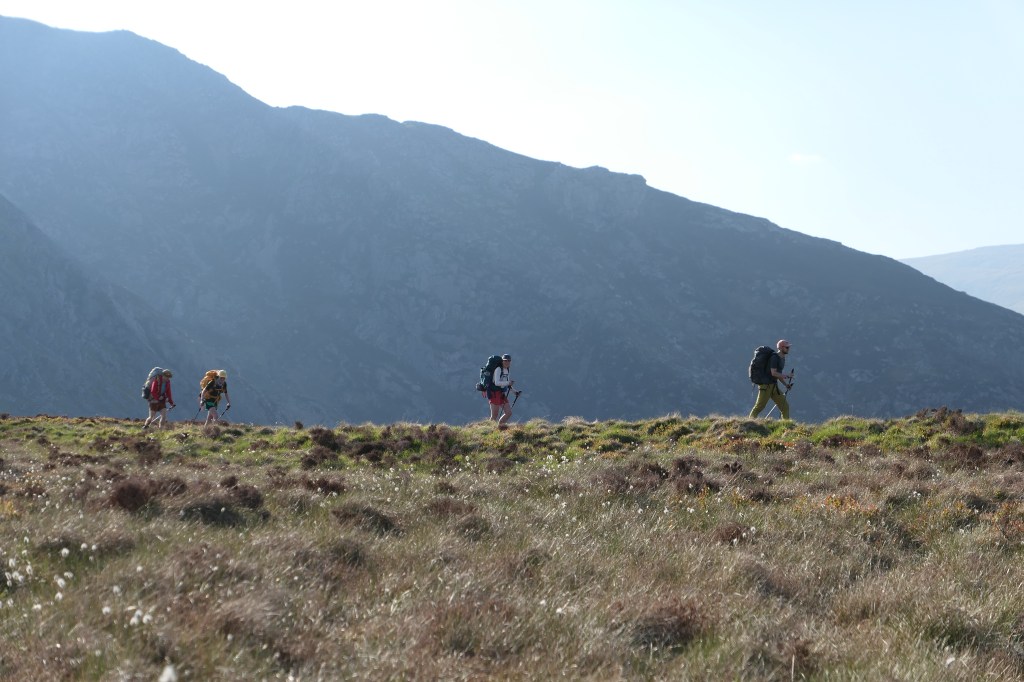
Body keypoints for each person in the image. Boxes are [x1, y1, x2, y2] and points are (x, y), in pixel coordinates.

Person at [749, 340, 794, 420]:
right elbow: (774, 373)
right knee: (759, 406)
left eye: (788, 347)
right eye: (787, 347)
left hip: (773, 386)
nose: (788, 349)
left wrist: (785, 384)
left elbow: (778, 374)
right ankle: (750, 422)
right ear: (781, 348)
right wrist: (787, 376)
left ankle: (786, 424)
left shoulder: (782, 358)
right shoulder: (774, 358)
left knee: (785, 406)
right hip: (766, 386)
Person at [487, 354, 517, 429]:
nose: (507, 362)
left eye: (509, 361)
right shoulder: (498, 369)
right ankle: (489, 430)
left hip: (501, 394)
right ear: (502, 361)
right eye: (505, 360)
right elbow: (496, 382)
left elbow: (506, 383)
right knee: (494, 415)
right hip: (494, 393)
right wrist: (508, 383)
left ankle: (499, 428)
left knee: (508, 413)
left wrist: (514, 392)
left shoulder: (507, 370)